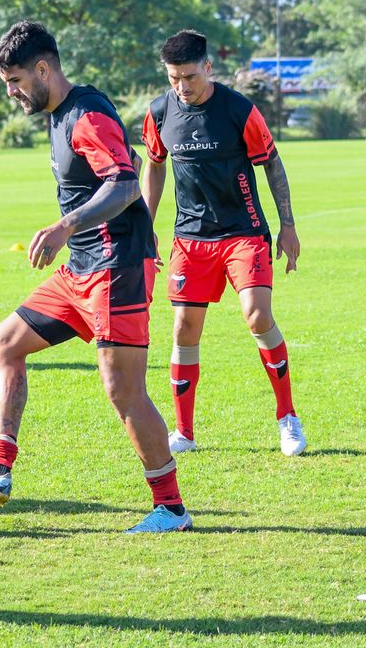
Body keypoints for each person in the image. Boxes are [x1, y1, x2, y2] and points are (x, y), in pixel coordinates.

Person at [0, 21, 191, 533]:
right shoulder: (60, 113)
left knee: (123, 390)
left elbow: (125, 183)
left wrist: (66, 225)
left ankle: (172, 509)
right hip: (80, 271)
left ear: (44, 69)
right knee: (4, 344)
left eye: (17, 80)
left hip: (116, 270)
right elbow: (125, 160)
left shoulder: (84, 114)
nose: (12, 92)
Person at [140, 30, 305, 457]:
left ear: (208, 68)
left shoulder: (238, 110)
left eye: (190, 76)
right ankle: (185, 433)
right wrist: (144, 223)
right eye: (174, 78)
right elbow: (155, 166)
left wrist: (287, 225)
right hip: (190, 239)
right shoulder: (159, 112)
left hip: (243, 232)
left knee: (256, 316)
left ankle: (287, 417)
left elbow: (272, 163)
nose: (183, 87)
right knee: (183, 328)